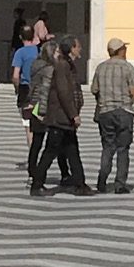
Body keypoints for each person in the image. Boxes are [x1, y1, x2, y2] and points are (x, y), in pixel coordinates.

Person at [30, 36, 92, 195]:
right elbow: (64, 93)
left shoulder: (67, 66)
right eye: (78, 46)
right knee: (50, 151)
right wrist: (73, 115)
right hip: (60, 118)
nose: (80, 49)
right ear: (71, 48)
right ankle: (37, 185)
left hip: (64, 119)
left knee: (72, 151)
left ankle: (80, 184)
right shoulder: (62, 66)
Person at [91, 36, 134, 193]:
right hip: (124, 112)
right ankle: (120, 183)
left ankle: (102, 179)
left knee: (107, 147)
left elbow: (94, 89)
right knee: (123, 149)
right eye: (124, 49)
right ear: (120, 51)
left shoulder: (100, 68)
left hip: (105, 112)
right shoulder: (127, 67)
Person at [24, 37, 58, 184]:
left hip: (34, 104)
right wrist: (44, 110)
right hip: (43, 106)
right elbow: (45, 89)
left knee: (36, 142)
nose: (58, 54)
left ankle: (32, 169)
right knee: (53, 142)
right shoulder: (49, 69)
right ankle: (39, 172)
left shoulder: (35, 65)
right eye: (56, 52)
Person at [11, 28, 41, 122]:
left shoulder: (20, 53)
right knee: (36, 120)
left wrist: (17, 88)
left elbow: (16, 75)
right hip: (38, 88)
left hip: (25, 88)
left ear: (20, 37)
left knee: (27, 121)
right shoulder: (39, 51)